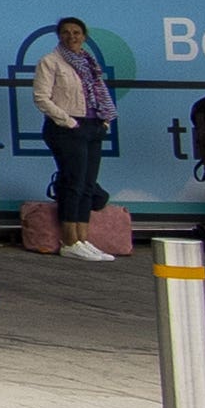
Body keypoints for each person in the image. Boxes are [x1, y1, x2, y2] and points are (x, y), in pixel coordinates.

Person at [31, 18, 119, 257]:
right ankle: (69, 241)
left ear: (84, 35)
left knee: (88, 184)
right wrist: (69, 122)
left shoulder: (90, 63)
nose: (72, 37)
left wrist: (104, 121)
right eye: (66, 32)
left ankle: (83, 238)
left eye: (77, 32)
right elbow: (41, 98)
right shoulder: (50, 62)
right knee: (73, 182)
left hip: (93, 125)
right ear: (59, 36)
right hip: (66, 127)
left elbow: (99, 94)